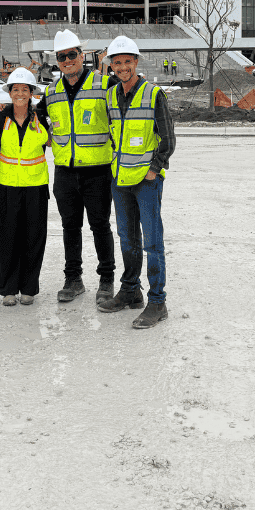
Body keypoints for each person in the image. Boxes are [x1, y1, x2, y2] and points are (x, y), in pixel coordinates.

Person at [98, 36, 176, 329]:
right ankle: (131, 290)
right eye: (117, 63)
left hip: (146, 180)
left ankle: (158, 301)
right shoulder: (110, 96)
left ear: (136, 62)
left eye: (127, 61)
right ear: (112, 66)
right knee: (127, 238)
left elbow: (168, 140)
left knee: (152, 242)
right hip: (120, 178)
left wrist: (154, 169)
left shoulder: (154, 94)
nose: (122, 67)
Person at [37, 29, 116, 303]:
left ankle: (106, 280)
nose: (68, 60)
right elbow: (31, 120)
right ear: (56, 62)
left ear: (82, 56)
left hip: (98, 171)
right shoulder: (51, 92)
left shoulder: (104, 84)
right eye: (62, 57)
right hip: (65, 173)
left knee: (100, 226)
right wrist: (4, 110)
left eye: (72, 55)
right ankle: (73, 279)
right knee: (70, 227)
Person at [0, 68, 50, 306]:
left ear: (32, 93)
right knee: (7, 237)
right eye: (16, 89)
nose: (20, 94)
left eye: (25, 90)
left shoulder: (41, 118)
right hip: (7, 187)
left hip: (36, 186)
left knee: (34, 237)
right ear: (10, 92)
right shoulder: (0, 116)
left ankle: (28, 288)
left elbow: (55, 141)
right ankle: (8, 289)